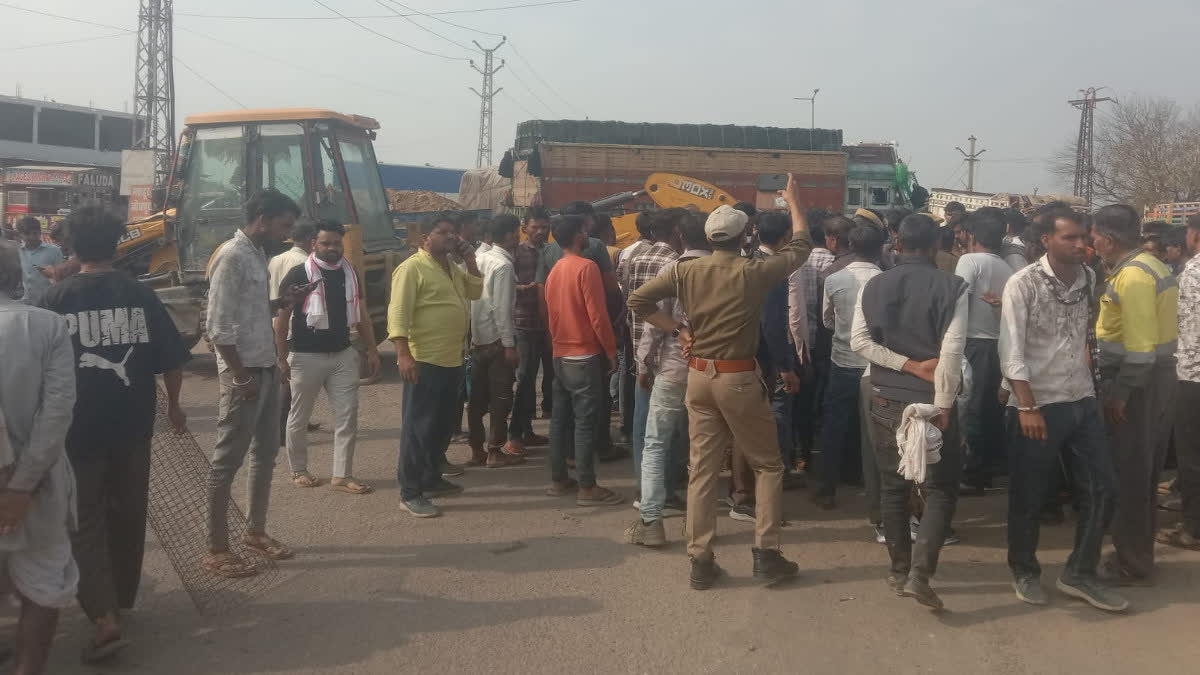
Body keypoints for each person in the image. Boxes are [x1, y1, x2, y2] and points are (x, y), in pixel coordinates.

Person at [629, 174, 813, 590]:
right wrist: (795, 203)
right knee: (767, 465)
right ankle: (766, 554)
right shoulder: (754, 271)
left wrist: (677, 329)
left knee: (702, 471)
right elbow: (801, 246)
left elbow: (638, 301)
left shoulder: (685, 271)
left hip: (698, 378)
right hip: (738, 379)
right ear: (744, 235)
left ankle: (700, 559)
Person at [39, 206, 190, 660]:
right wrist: (178, 407)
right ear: (116, 244)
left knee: (84, 521)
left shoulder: (54, 300)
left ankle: (104, 616)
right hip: (133, 424)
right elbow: (173, 358)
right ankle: (121, 599)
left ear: (70, 247)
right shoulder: (139, 295)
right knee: (128, 511)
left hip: (75, 430)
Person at [999, 208, 1127, 612]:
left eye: (1083, 236)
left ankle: (1079, 572)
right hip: (1037, 404)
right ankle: (1024, 570)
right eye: (1070, 238)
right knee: (1030, 494)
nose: (1080, 244)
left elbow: (1086, 335)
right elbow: (1011, 351)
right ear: (1045, 242)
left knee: (1103, 489)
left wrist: (1097, 389)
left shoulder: (1089, 277)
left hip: (1081, 398)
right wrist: (1027, 406)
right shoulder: (1023, 284)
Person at [850, 212, 967, 611]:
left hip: (884, 396)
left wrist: (904, 365)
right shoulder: (952, 287)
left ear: (897, 244)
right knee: (938, 489)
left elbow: (859, 342)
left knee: (893, 485)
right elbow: (951, 353)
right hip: (931, 398)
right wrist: (945, 403)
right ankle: (920, 574)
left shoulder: (874, 285)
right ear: (937, 245)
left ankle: (900, 571)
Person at [205, 189, 302, 576]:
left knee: (265, 454)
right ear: (263, 219)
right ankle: (215, 548)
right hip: (243, 375)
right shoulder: (231, 256)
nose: (287, 234)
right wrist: (241, 376)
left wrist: (280, 304)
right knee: (226, 463)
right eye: (284, 225)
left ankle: (255, 532)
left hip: (262, 369)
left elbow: (246, 312)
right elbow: (218, 328)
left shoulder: (258, 255)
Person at [0, 241, 78, 675]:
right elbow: (57, 413)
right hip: (41, 485)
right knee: (45, 582)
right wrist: (23, 485)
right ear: (16, 278)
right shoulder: (46, 326)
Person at [1092, 204, 1179, 585]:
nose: (1090, 242)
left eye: (1093, 235)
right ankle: (1137, 553)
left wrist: (1120, 395)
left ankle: (1131, 560)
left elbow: (1141, 351)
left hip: (1137, 383)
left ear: (1108, 239)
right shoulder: (1151, 265)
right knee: (1142, 471)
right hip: (1153, 380)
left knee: (1130, 471)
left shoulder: (1135, 277)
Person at [389, 212, 483, 518]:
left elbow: (476, 292)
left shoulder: (452, 269)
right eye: (443, 232)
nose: (451, 238)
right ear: (424, 238)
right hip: (424, 360)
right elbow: (399, 314)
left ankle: (431, 478)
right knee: (418, 427)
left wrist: (470, 261)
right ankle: (410, 492)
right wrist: (403, 354)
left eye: (453, 233)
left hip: (452, 359)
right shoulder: (412, 268)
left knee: (441, 426)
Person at [275, 219, 379, 494]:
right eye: (325, 243)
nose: (332, 248)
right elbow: (281, 319)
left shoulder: (350, 272)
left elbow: (363, 314)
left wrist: (372, 348)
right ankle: (299, 470)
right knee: (299, 416)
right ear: (313, 244)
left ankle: (342, 475)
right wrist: (281, 357)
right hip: (306, 356)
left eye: (336, 243)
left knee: (348, 415)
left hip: (343, 354)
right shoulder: (299, 274)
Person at [625, 213, 711, 546]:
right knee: (702, 448)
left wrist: (644, 364)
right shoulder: (724, 271)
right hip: (711, 370)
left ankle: (651, 522)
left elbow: (652, 321)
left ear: (679, 235)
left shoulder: (674, 270)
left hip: (673, 368)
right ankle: (699, 528)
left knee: (656, 444)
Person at [543, 214, 623, 507]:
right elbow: (598, 316)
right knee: (585, 422)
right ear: (578, 235)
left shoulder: (555, 270)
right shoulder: (586, 267)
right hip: (584, 354)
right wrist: (611, 351)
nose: (588, 234)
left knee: (560, 420)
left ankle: (559, 479)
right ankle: (588, 487)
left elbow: (551, 314)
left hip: (560, 353)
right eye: (585, 230)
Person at [817, 223, 886, 508]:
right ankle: (868, 485)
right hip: (874, 365)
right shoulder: (885, 280)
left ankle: (826, 487)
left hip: (842, 360)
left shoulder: (834, 279)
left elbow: (827, 321)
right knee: (873, 430)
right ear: (880, 249)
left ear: (851, 247)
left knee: (835, 424)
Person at [955, 207, 1014, 494]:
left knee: (973, 408)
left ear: (972, 236)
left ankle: (974, 472)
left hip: (974, 342)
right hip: (997, 343)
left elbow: (958, 299)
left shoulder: (969, 260)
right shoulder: (1005, 266)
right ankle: (989, 465)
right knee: (990, 407)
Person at [752, 212, 805, 500]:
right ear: (786, 237)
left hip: (747, 355)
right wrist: (785, 367)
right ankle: (777, 473)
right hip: (766, 360)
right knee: (777, 415)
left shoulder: (748, 261)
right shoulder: (773, 270)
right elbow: (772, 324)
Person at [466, 214, 523, 468]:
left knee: (477, 399)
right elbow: (501, 309)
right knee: (501, 398)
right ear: (510, 235)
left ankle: (477, 449)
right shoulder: (503, 265)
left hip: (477, 339)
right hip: (497, 341)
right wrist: (509, 344)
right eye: (517, 231)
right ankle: (495, 451)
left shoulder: (479, 258)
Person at [1160, 214, 1200, 550]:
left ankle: (1193, 529)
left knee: (1191, 456)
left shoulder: (1193, 271)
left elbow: (1183, 324)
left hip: (1193, 377)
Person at [268, 218, 319, 442]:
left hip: (274, 322)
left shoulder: (276, 259)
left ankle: (295, 422)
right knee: (290, 382)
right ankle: (281, 431)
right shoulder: (306, 263)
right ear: (311, 240)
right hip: (292, 327)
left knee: (287, 379)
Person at [509, 207, 553, 450]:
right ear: (524, 227)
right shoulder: (516, 252)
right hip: (524, 324)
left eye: (545, 227)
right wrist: (527, 288)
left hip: (547, 326)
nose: (540, 232)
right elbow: (506, 286)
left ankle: (528, 431)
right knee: (525, 379)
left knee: (551, 378)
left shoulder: (551, 251)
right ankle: (514, 434)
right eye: (535, 227)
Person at [15, 216, 63, 307]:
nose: (32, 237)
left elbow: (60, 277)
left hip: (47, 304)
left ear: (40, 232)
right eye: (27, 234)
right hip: (24, 304)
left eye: (35, 233)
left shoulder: (54, 251)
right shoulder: (17, 251)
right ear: (20, 234)